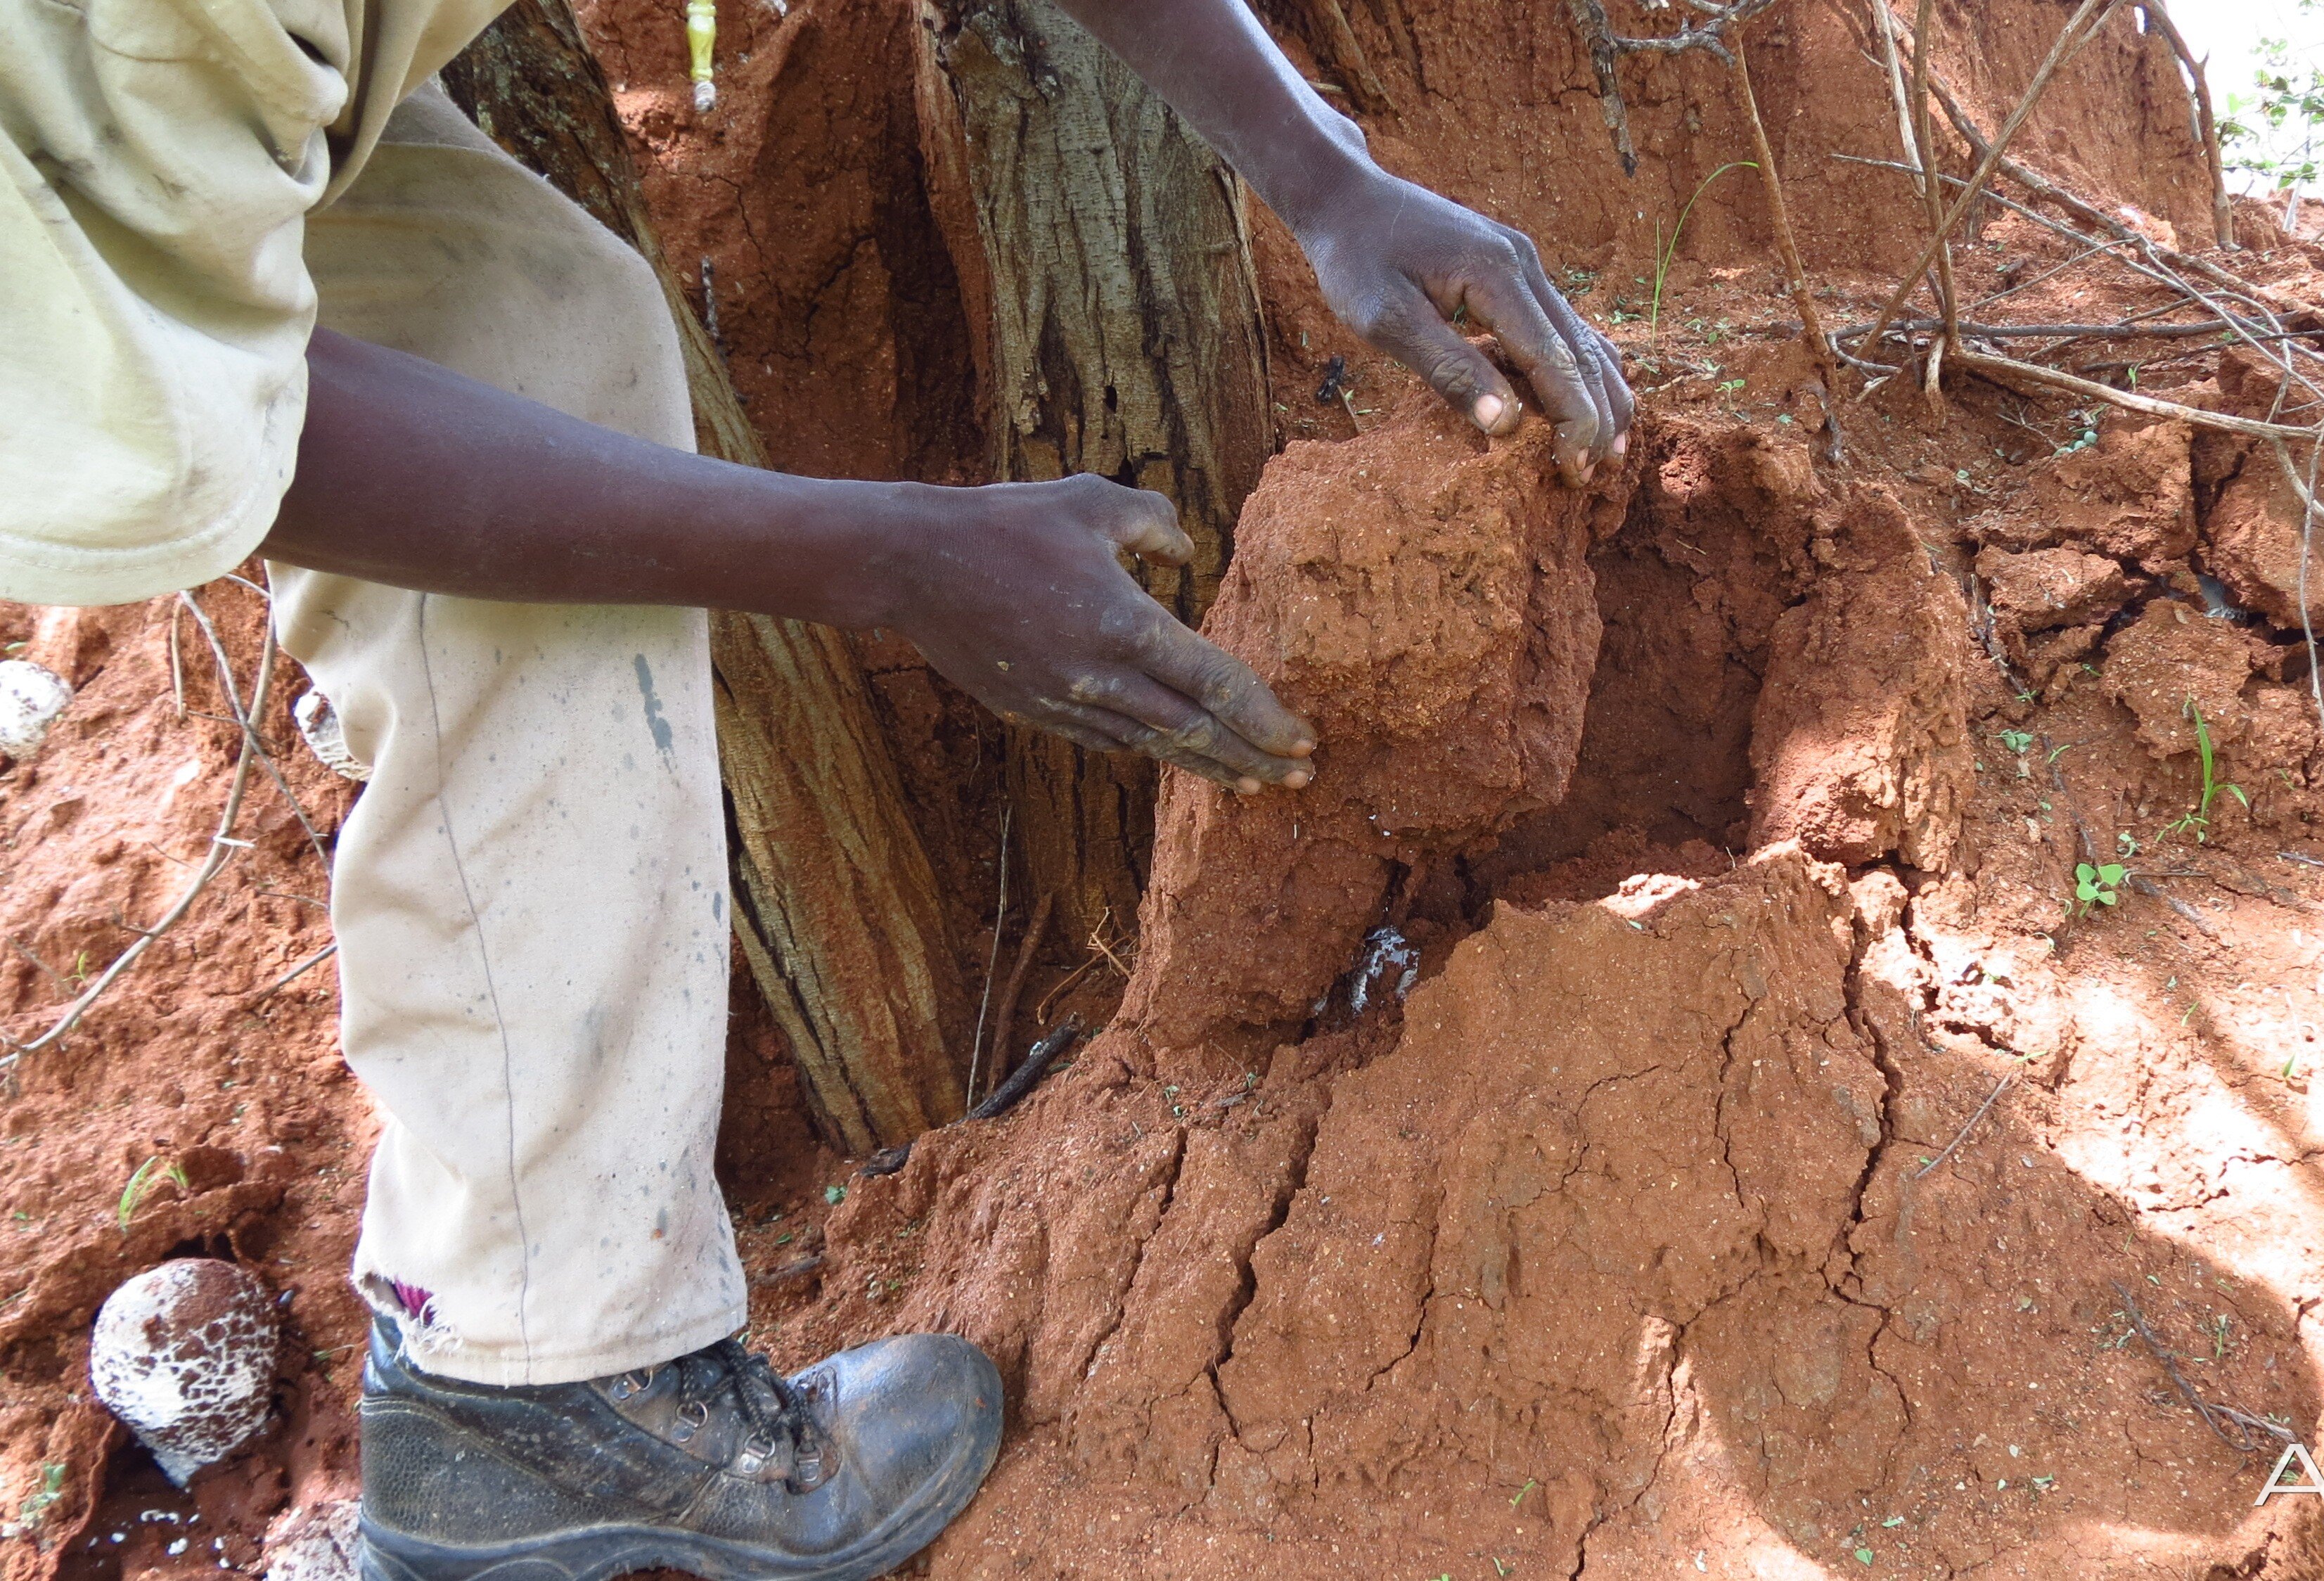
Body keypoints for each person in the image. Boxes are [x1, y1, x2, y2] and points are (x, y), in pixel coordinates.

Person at [0, 0, 1633, 1573]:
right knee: (493, 379)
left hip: (193, 111)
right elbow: (230, 433)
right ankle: (548, 1392)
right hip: (70, 184)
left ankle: (522, 1339)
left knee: (539, 335)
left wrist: (1318, 170)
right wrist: (887, 558)